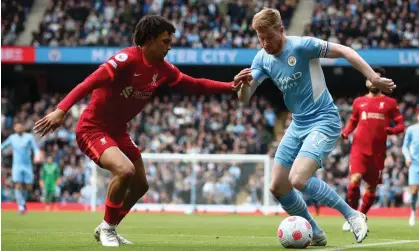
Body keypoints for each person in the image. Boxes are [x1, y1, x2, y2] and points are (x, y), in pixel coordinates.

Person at [34, 15, 250, 247]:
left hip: (118, 131)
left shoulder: (163, 70)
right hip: (92, 128)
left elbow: (195, 83)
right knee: (125, 171)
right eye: (165, 41)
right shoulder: (125, 59)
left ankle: (110, 227)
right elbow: (88, 83)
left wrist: (230, 86)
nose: (169, 46)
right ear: (149, 39)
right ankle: (107, 228)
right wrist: (61, 110)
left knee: (140, 185)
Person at [235, 8, 396, 244]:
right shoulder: (262, 58)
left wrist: (373, 77)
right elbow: (245, 98)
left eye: (269, 36)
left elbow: (344, 50)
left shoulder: (301, 46)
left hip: (324, 119)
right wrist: (241, 86)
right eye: (261, 38)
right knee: (278, 186)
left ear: (281, 30)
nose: (265, 43)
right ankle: (315, 231)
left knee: (298, 179)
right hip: (298, 123)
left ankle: (353, 215)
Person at [341, 67, 405, 231]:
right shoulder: (358, 102)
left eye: (376, 78)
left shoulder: (390, 103)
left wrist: (392, 130)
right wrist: (346, 132)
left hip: (378, 153)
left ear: (381, 82)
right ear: (366, 81)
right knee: (354, 181)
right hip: (359, 149)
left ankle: (361, 215)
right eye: (370, 77)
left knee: (371, 188)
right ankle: (352, 216)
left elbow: (400, 125)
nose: (372, 80)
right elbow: (353, 121)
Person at [1, 123, 40, 214]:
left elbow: (35, 148)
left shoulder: (29, 137)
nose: (19, 129)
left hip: (27, 165)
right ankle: (21, 205)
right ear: (15, 129)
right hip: (17, 165)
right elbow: (3, 146)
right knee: (18, 185)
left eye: (21, 127)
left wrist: (37, 156)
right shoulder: (12, 138)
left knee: (27, 186)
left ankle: (22, 204)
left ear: (23, 128)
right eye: (17, 128)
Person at [402, 111, 419, 226]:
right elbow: (404, 146)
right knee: (413, 191)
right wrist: (407, 157)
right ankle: (413, 212)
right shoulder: (411, 129)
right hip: (415, 163)